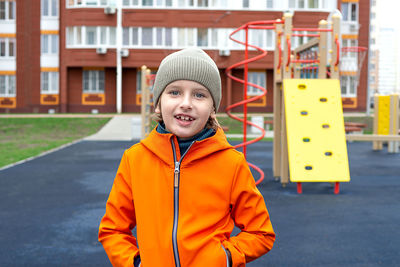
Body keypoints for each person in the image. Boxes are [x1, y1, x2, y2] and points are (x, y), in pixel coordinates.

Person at [98, 48, 275, 267]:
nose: (186, 103)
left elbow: (261, 233)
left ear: (212, 108)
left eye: (199, 94)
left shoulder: (231, 163)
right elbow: (112, 229)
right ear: (158, 102)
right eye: (174, 92)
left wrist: (224, 258)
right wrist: (134, 263)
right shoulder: (135, 160)